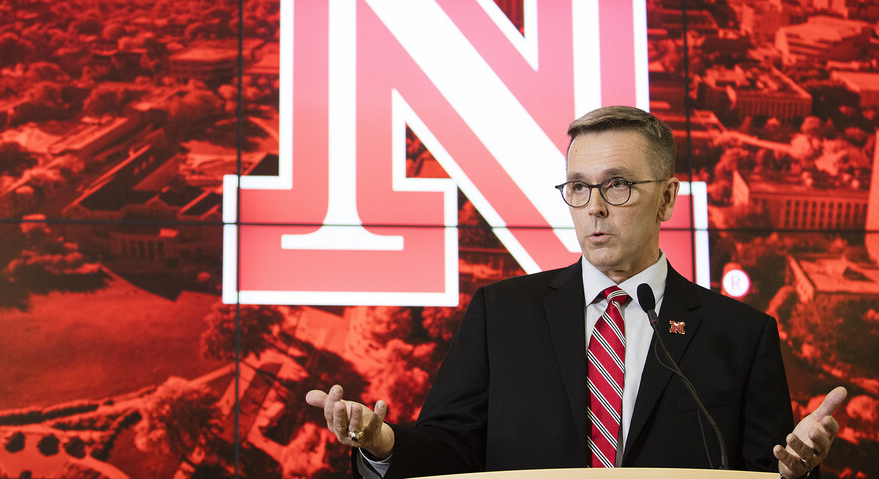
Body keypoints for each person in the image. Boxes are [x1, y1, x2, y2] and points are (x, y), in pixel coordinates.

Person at [306, 105, 845, 478]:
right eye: (579, 187)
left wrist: (795, 469)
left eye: (617, 185)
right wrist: (382, 444)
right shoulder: (503, 315)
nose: (595, 207)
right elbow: (452, 448)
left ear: (667, 199)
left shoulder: (741, 335)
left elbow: (764, 469)